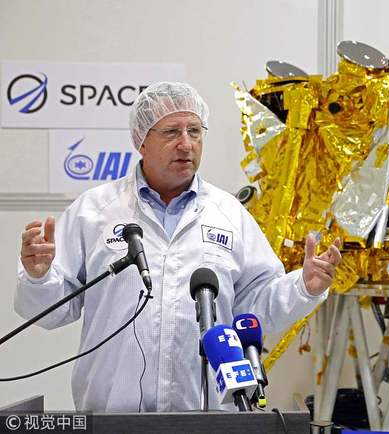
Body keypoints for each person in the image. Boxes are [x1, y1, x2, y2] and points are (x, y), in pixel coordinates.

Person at [15, 82, 341, 412]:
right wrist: (38, 278)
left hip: (207, 418)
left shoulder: (229, 214)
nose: (186, 144)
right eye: (172, 132)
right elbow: (52, 311)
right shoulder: (95, 211)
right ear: (140, 140)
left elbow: (256, 309)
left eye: (195, 131)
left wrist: (303, 287)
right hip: (111, 419)